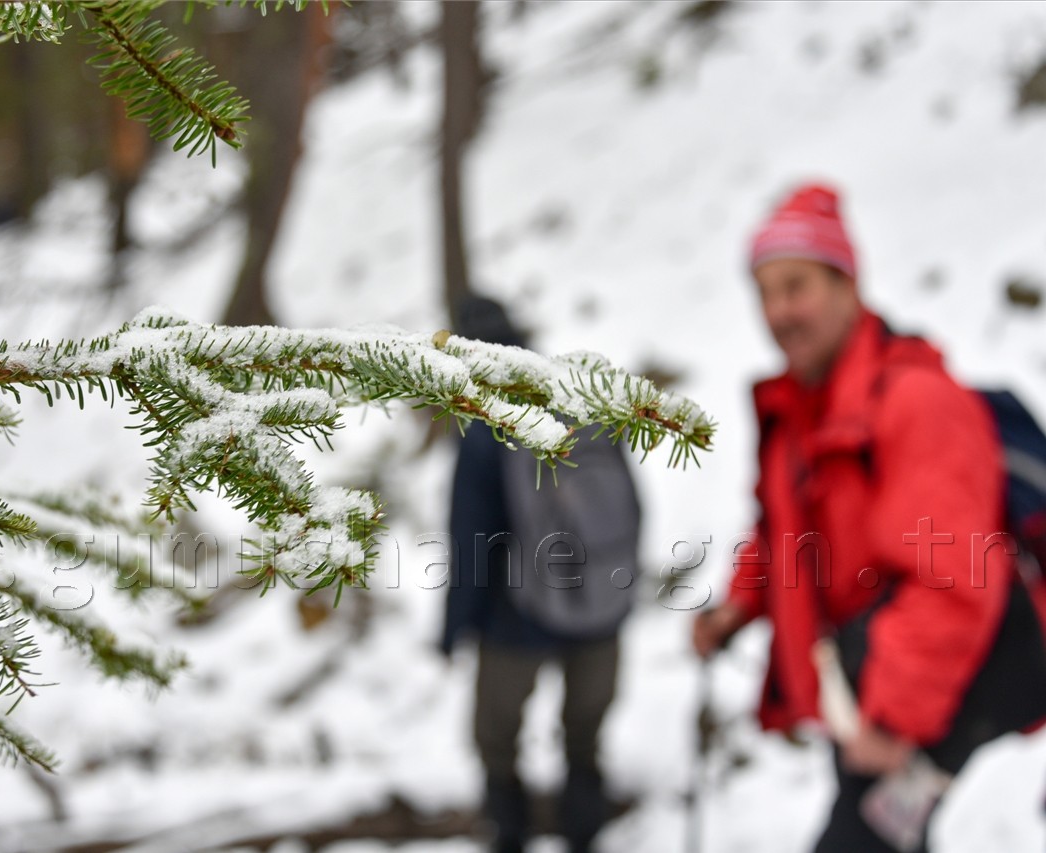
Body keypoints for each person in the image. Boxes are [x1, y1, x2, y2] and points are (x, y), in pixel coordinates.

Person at [691, 183, 1046, 851]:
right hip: (859, 684)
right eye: (766, 293)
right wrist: (738, 607)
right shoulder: (804, 412)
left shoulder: (917, 402)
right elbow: (781, 534)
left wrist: (895, 716)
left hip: (929, 693)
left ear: (848, 284)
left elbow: (953, 578)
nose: (778, 312)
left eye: (796, 287)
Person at [441, 295, 642, 853]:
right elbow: (631, 508)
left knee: (496, 739)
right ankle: (585, 834)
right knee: (584, 736)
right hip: (602, 606)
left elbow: (471, 541)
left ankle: (509, 834)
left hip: (517, 617)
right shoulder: (580, 399)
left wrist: (456, 626)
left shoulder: (486, 426)